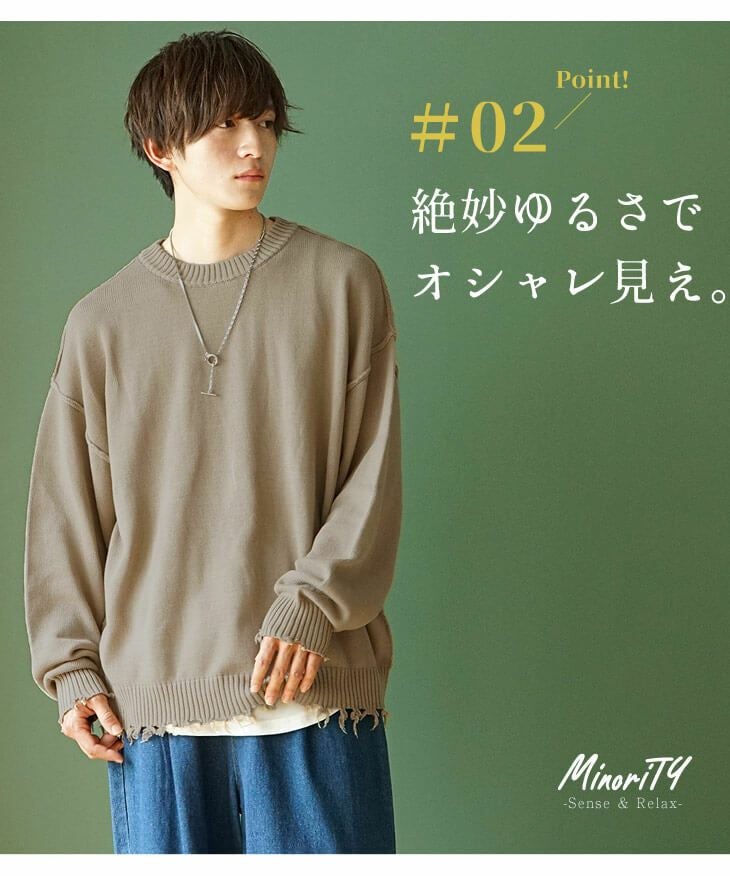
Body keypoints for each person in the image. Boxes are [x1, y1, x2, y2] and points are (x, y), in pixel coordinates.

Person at [23, 29, 402, 854]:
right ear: (161, 147)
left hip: (312, 695)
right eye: (225, 125)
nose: (254, 145)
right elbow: (67, 513)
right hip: (156, 715)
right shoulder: (101, 324)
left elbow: (371, 476)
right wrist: (71, 668)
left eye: (264, 122)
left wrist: (311, 604)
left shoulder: (343, 284)